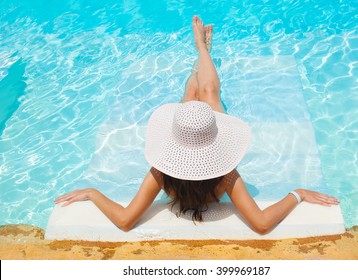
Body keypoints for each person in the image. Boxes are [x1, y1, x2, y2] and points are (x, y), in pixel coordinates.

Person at [55, 16, 339, 235]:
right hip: (202, 137)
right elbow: (262, 224)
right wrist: (298, 194)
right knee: (209, 95)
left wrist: (93, 192)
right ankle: (203, 50)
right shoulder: (225, 173)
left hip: (192, 136)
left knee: (192, 96)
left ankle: (201, 53)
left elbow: (125, 220)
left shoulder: (162, 171)